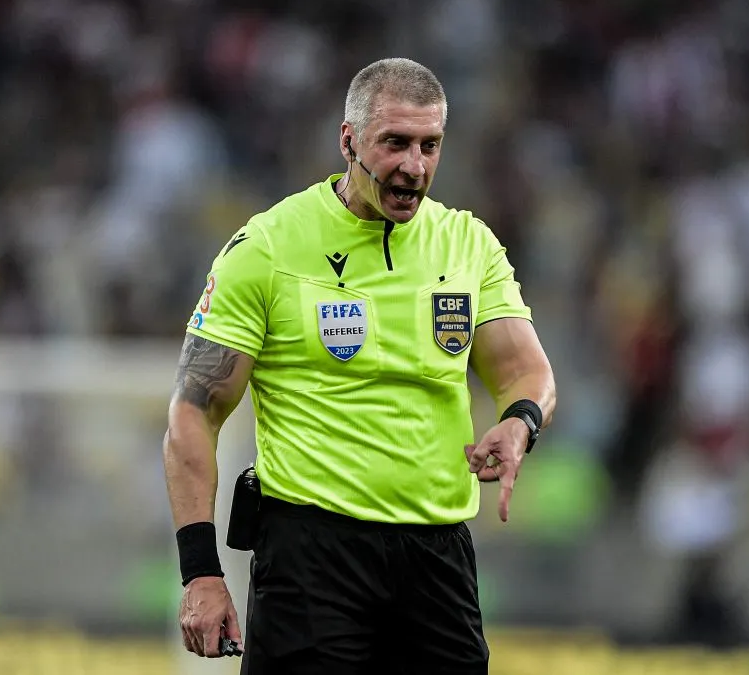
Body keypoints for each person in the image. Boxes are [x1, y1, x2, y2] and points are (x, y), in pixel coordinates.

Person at [163, 57, 556, 675]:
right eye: (395, 143)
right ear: (348, 140)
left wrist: (520, 421)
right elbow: (194, 412)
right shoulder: (268, 247)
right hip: (311, 558)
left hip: (437, 559)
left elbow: (526, 373)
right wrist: (201, 572)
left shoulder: (468, 244)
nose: (414, 166)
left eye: (430, 146)